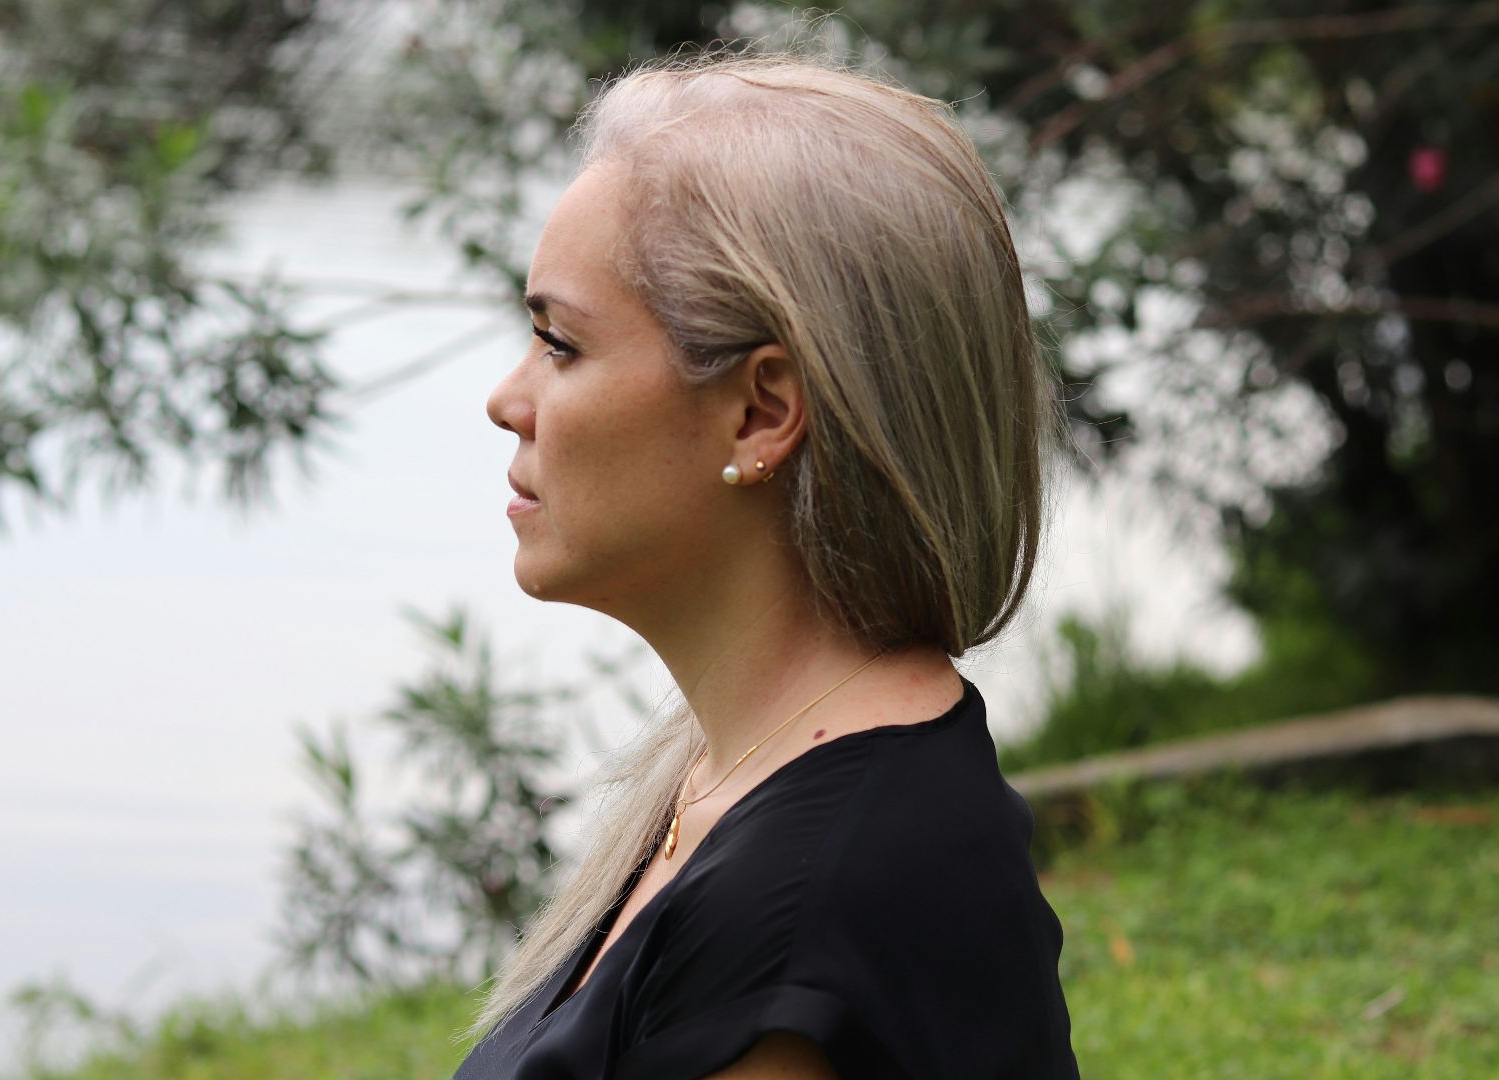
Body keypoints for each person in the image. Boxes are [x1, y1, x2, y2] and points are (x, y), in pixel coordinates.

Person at [461, 49, 1078, 1079]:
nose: (507, 400)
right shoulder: (748, 786)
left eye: (559, 344)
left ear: (760, 412)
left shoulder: (796, 919)